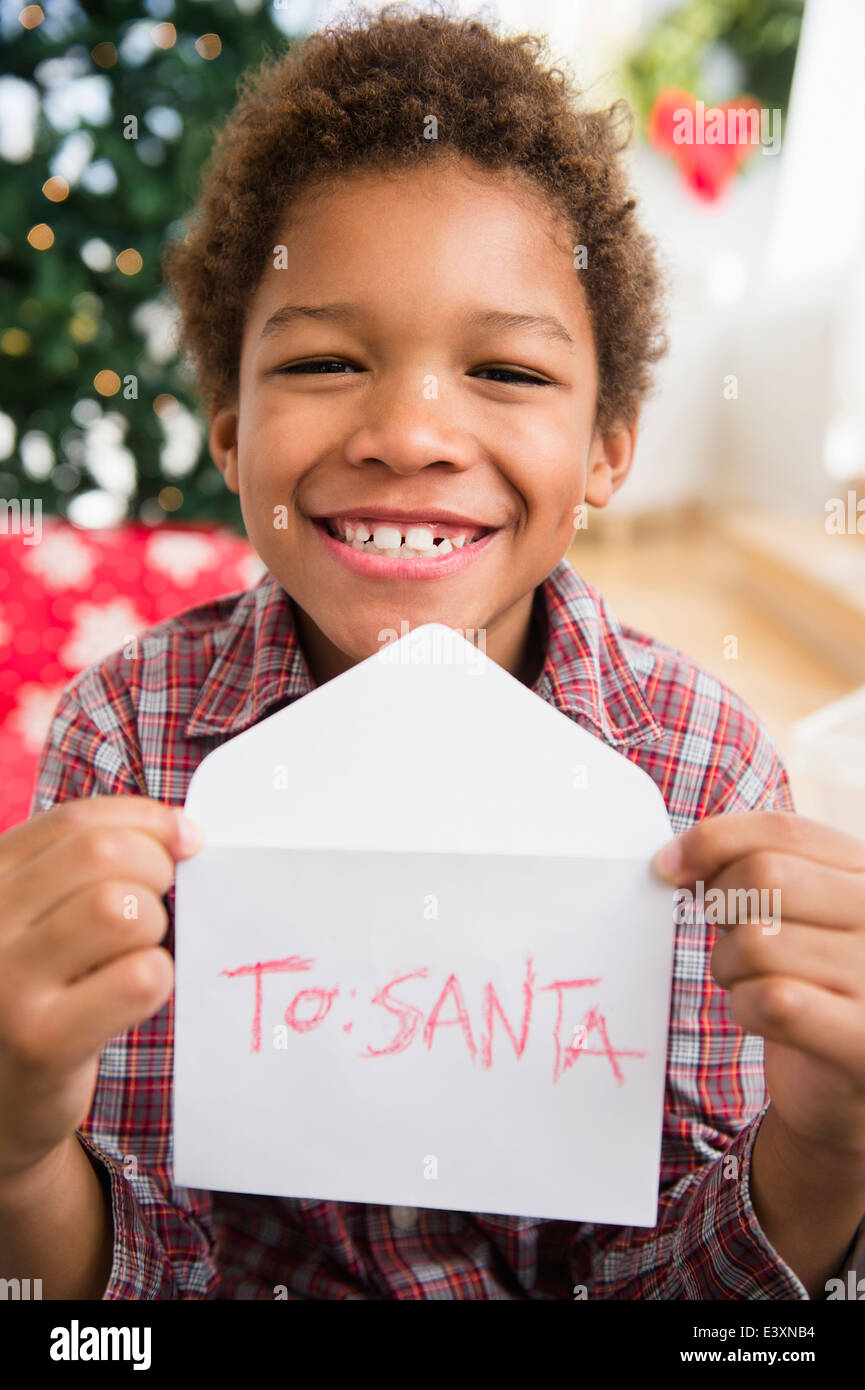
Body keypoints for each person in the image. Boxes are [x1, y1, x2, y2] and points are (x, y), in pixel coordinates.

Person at [1, 4, 863, 1300]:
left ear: (606, 450)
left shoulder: (700, 770)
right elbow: (119, 1297)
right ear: (231, 435)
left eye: (506, 372)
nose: (409, 433)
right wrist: (13, 1155)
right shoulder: (122, 741)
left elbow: (684, 1293)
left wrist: (827, 1146)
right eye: (330, 359)